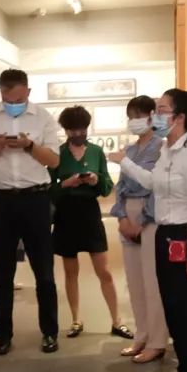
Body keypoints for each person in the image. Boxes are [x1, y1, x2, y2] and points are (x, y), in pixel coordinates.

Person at [109, 88, 187, 372]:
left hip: (184, 237)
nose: (156, 116)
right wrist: (124, 162)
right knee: (173, 312)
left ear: (180, 117)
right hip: (165, 236)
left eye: (162, 110)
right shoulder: (168, 150)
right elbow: (153, 182)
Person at [0, 68, 61, 355]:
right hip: (1, 201)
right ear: (0, 93)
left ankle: (50, 332)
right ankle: (2, 334)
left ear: (28, 92)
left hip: (36, 199)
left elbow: (54, 161)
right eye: (8, 100)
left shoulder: (43, 117)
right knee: (3, 273)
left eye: (19, 100)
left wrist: (29, 145)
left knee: (44, 271)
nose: (14, 105)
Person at [49, 105, 132, 341]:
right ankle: (76, 319)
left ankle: (117, 320)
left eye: (82, 129)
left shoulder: (96, 152)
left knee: (103, 270)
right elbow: (49, 189)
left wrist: (96, 180)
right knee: (70, 271)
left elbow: (106, 187)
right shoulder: (57, 154)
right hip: (65, 214)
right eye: (72, 130)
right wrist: (66, 184)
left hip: (89, 212)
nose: (78, 134)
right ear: (66, 130)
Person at [111, 95, 168, 363]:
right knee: (134, 282)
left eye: (139, 116)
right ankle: (141, 335)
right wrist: (122, 217)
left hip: (151, 215)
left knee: (152, 281)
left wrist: (142, 220)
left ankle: (157, 341)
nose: (134, 121)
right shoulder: (130, 150)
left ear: (152, 117)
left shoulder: (162, 148)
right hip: (129, 214)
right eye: (131, 116)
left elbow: (157, 187)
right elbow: (121, 186)